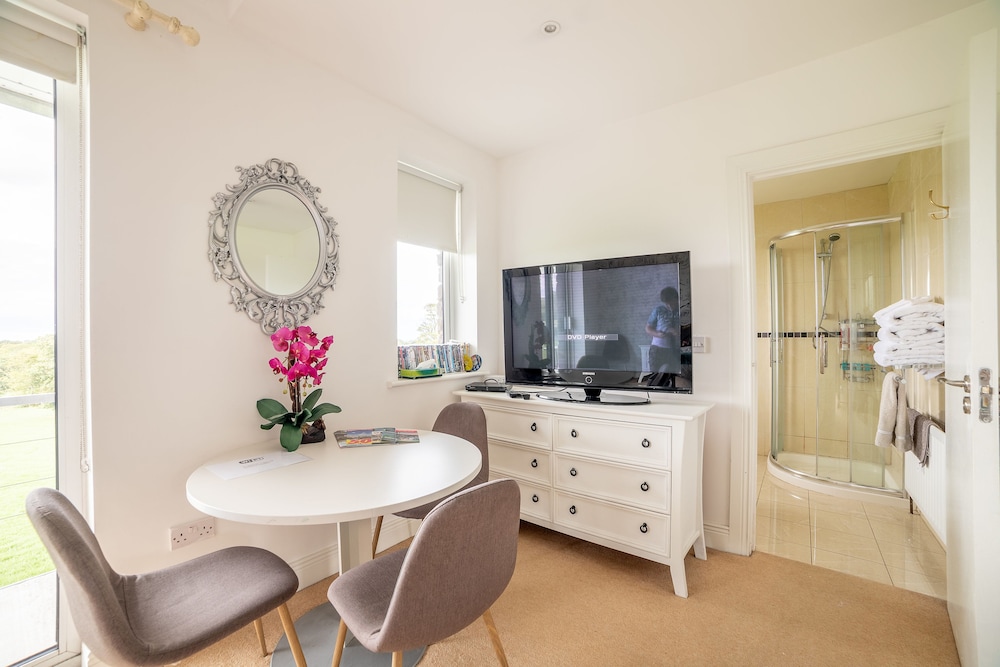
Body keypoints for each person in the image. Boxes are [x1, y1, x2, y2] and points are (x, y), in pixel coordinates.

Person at [645, 286, 681, 378]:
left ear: (676, 299)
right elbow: (648, 328)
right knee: (656, 377)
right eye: (667, 304)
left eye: (672, 303)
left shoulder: (682, 311)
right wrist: (658, 334)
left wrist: (677, 332)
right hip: (657, 349)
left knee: (673, 377)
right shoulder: (658, 310)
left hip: (674, 350)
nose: (669, 306)